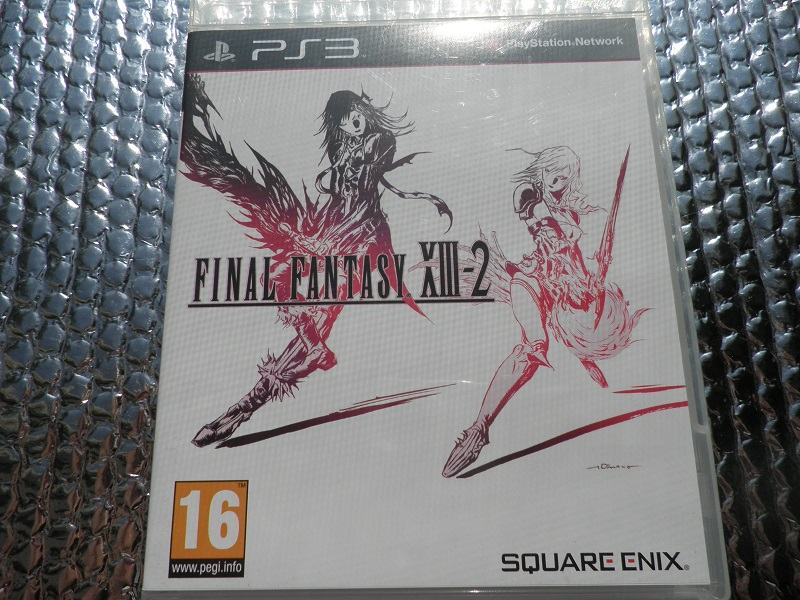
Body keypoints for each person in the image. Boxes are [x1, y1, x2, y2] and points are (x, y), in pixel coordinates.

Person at [180, 76, 450, 446]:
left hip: (363, 237)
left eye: (355, 114)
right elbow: (336, 194)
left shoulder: (378, 140)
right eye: (345, 120)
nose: (353, 123)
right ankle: (313, 350)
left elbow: (365, 175)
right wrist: (313, 234)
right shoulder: (344, 150)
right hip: (334, 232)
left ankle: (244, 407)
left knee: (323, 311)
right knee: (280, 279)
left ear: (363, 111)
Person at [442, 146, 645, 477]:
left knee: (592, 322)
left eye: (565, 176)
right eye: (554, 172)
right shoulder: (529, 195)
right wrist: (561, 225)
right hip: (537, 278)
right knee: (533, 345)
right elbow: (543, 218)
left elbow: (577, 239)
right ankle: (478, 429)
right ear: (542, 171)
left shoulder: (570, 204)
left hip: (572, 282)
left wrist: (592, 258)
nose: (558, 180)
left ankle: (583, 352)